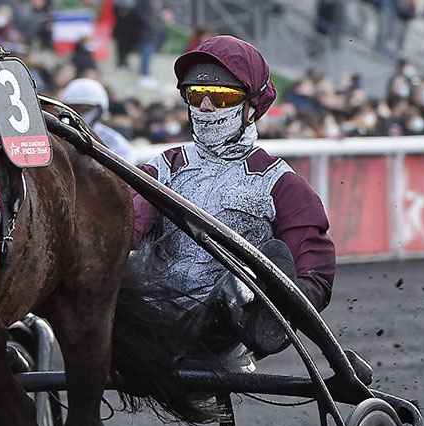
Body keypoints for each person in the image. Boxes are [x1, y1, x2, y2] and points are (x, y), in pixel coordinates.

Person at [131, 36, 335, 364]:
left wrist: (275, 298)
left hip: (226, 331)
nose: (206, 106)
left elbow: (315, 275)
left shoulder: (281, 183)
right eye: (196, 95)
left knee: (239, 285)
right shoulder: (161, 169)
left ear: (252, 107)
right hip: (154, 317)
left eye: (221, 97)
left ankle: (251, 296)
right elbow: (126, 228)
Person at [59, 77, 134, 164]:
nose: (80, 114)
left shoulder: (114, 142)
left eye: (86, 109)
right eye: (75, 109)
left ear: (100, 110)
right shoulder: (58, 137)